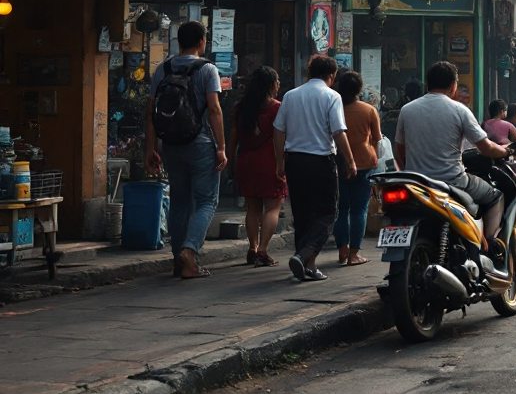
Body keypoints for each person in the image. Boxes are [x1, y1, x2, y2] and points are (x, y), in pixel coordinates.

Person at [394, 62, 511, 268]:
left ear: (428, 83)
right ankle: (490, 245)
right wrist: (506, 151)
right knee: (496, 196)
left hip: (417, 183)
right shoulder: (459, 110)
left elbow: (399, 150)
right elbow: (486, 148)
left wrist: (410, 170)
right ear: (453, 85)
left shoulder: (407, 110)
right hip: (453, 182)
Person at [144, 20, 225, 280]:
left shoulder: (163, 68)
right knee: (206, 201)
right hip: (200, 144)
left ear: (178, 42)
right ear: (202, 42)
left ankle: (178, 258)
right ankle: (190, 252)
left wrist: (150, 149)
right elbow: (214, 109)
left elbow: (150, 112)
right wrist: (221, 147)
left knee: (179, 201)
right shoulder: (208, 69)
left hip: (171, 146)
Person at [273, 55, 357, 282]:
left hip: (295, 161)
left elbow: (279, 129)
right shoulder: (332, 96)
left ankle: (307, 264)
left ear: (309, 73)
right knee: (328, 212)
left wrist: (280, 160)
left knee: (302, 213)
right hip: (321, 161)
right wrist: (350, 161)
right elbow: (338, 132)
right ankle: (304, 254)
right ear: (332, 76)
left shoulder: (291, 95)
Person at [230, 66, 287, 268]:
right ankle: (263, 250)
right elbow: (282, 136)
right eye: (277, 81)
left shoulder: (240, 107)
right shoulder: (277, 107)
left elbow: (234, 137)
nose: (279, 85)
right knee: (273, 207)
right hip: (269, 161)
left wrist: (231, 160)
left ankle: (252, 249)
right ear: (271, 85)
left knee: (252, 207)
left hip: (245, 160)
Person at [334, 71, 381, 266]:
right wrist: (374, 160)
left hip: (339, 163)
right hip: (364, 164)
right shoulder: (369, 110)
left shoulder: (334, 109)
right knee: (359, 210)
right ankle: (354, 254)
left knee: (341, 209)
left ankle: (342, 250)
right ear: (359, 89)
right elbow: (377, 139)